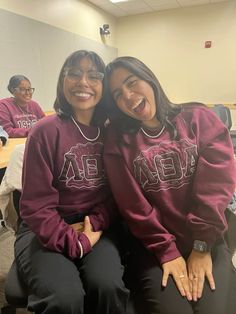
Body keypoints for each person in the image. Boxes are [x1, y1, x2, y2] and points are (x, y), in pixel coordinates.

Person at [104, 56, 236, 314]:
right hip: (155, 246)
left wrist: (201, 247)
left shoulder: (199, 119)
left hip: (206, 240)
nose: (129, 96)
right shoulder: (117, 142)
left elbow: (215, 190)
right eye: (118, 94)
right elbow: (134, 207)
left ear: (149, 79)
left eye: (132, 83)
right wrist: (167, 251)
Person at [14, 51, 129, 314]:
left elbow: (117, 194)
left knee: (108, 286)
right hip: (43, 226)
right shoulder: (44, 131)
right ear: (62, 81)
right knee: (64, 297)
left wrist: (95, 226)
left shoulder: (112, 132)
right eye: (74, 73)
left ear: (104, 86)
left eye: (94, 76)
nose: (83, 82)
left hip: (96, 224)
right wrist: (77, 243)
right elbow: (35, 206)